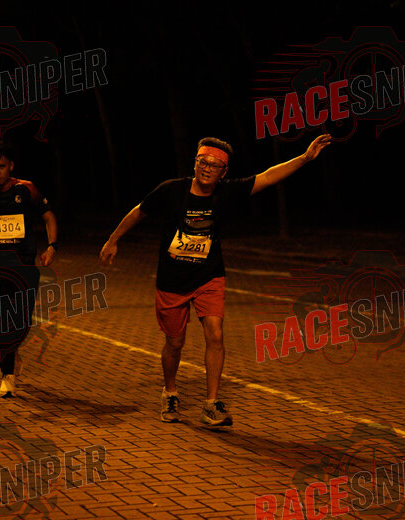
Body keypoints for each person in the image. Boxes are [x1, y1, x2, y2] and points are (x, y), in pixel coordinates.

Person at [100, 134, 332, 426]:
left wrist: (305, 158)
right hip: (172, 280)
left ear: (224, 171)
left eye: (214, 165)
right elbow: (138, 212)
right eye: (202, 161)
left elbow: (268, 176)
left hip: (209, 276)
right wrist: (113, 240)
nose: (207, 168)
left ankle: (211, 404)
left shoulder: (227, 192)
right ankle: (170, 392)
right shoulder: (171, 190)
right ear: (195, 162)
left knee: (216, 334)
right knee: (175, 342)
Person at [0, 140, 58, 398]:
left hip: (24, 265)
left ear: (11, 166)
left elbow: (49, 216)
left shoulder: (26, 189)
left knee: (22, 322)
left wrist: (52, 246)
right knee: (2, 321)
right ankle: (7, 376)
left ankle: (12, 351)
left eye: (1, 166)